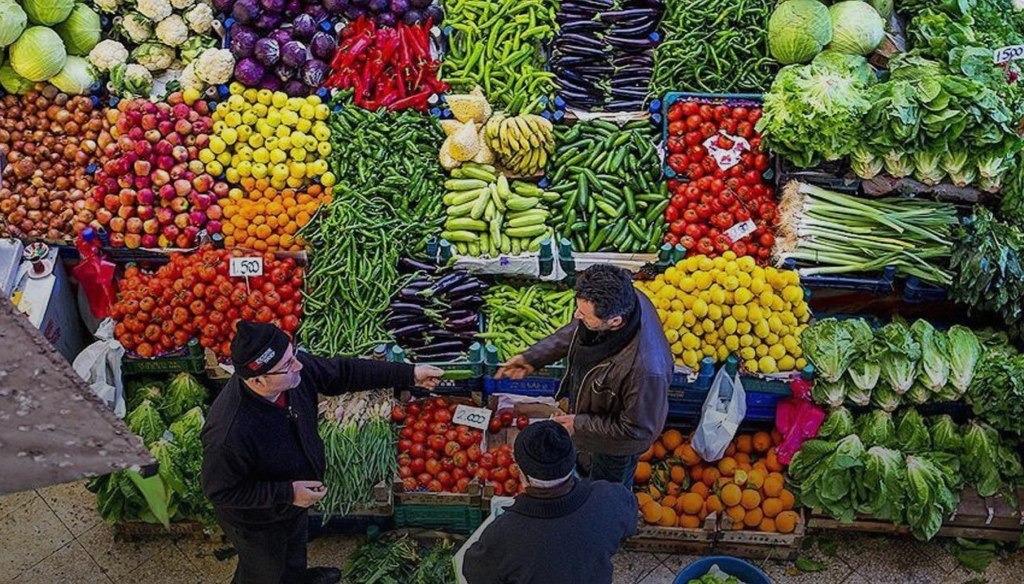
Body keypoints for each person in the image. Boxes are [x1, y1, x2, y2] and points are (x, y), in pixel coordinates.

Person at [201, 321, 444, 584]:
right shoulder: (228, 432)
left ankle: (298, 578)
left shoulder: (291, 373)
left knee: (294, 550)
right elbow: (220, 491)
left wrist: (409, 373)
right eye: (288, 365)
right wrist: (287, 493)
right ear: (258, 379)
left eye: (293, 354)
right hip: (257, 520)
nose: (299, 366)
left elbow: (343, 372)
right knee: (264, 570)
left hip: (293, 502)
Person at [496, 264, 672, 485]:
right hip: (596, 414)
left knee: (607, 489)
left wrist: (578, 424)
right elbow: (579, 329)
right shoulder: (624, 298)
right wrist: (533, 357)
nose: (576, 315)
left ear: (615, 321)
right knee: (587, 463)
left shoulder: (646, 372)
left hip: (616, 447)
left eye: (584, 314)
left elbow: (638, 430)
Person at [461, 421, 638, 584]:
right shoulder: (612, 498)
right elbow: (629, 525)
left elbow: (474, 573)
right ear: (571, 462)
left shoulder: (502, 536)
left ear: (522, 474)